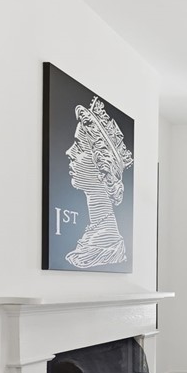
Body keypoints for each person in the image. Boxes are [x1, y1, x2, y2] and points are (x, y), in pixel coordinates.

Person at [65, 96, 134, 269]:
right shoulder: (95, 229)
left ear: (102, 168)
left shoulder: (107, 238)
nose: (69, 152)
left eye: (79, 146)